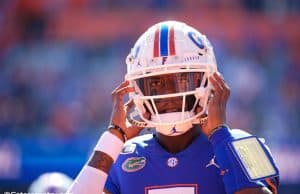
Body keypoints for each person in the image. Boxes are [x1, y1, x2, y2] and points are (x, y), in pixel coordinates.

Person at [68, 21, 279, 194]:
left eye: (182, 80)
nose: (169, 94)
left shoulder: (243, 144)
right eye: (156, 83)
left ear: (209, 83)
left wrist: (220, 136)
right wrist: (113, 137)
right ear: (136, 89)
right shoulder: (119, 155)